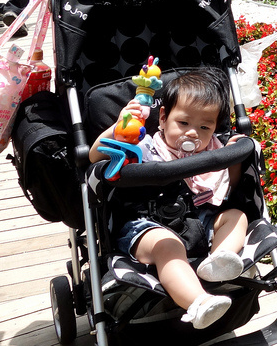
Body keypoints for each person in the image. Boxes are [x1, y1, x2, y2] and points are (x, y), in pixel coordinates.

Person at [89, 69, 250, 330]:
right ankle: (198, 302)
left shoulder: (214, 151)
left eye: (204, 127)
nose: (192, 134)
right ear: (162, 118)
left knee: (236, 217)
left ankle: (219, 260)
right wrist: (120, 126)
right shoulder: (146, 147)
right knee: (168, 246)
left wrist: (233, 156)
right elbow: (95, 157)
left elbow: (229, 188)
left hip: (200, 221)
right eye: (183, 123)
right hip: (147, 226)